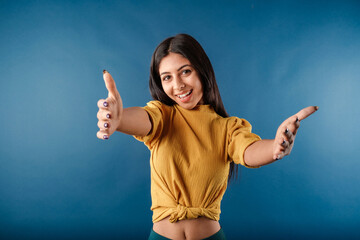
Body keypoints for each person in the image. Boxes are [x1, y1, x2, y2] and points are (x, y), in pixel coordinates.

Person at [96, 34, 318, 240]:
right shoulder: (162, 116)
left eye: (185, 71)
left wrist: (276, 147)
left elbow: (250, 151)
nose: (178, 85)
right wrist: (118, 119)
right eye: (167, 77)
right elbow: (143, 120)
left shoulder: (227, 128)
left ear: (202, 70)